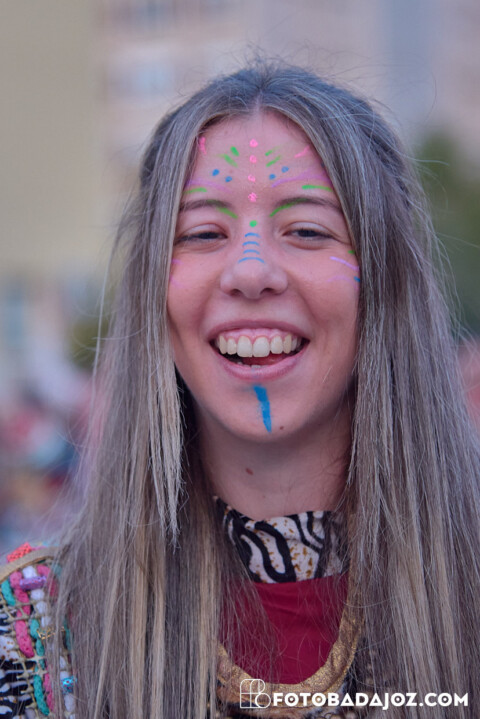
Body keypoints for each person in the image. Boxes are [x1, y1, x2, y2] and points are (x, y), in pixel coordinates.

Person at [1, 62, 479, 719]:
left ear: (385, 282)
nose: (251, 272)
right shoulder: (31, 635)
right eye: (203, 234)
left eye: (307, 231)